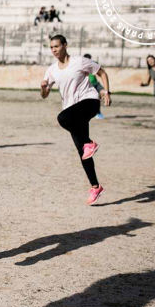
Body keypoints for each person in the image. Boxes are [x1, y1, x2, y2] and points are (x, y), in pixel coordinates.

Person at [40, 34, 111, 205]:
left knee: (62, 118)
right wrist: (43, 88)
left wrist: (106, 92)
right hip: (72, 110)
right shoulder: (52, 70)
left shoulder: (79, 62)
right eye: (51, 47)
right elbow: (45, 95)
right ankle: (95, 186)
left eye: (56, 46)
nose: (54, 50)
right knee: (83, 152)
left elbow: (101, 72)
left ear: (65, 45)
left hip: (89, 101)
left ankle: (89, 142)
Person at [83, 54, 105, 119]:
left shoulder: (93, 65)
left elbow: (101, 71)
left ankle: (98, 112)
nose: (88, 60)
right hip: (88, 85)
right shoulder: (82, 66)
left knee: (101, 95)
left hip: (96, 83)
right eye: (87, 59)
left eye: (89, 59)